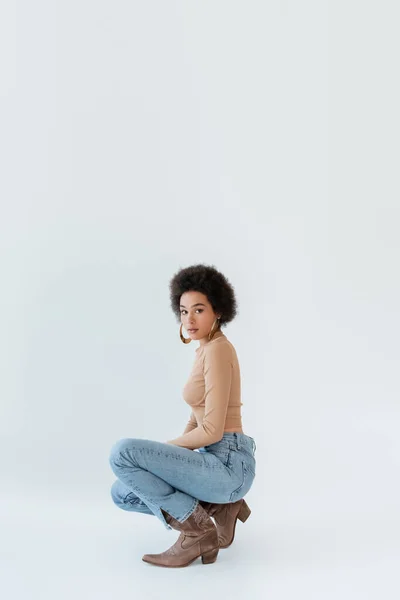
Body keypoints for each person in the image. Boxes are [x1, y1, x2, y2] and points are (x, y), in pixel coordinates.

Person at [109, 263, 257, 568]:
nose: (189, 318)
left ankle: (197, 531)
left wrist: (165, 452)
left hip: (228, 463)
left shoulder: (218, 350)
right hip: (213, 461)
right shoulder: (203, 350)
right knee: (122, 492)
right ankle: (218, 508)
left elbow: (213, 430)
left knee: (123, 453)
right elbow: (197, 418)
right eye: (184, 310)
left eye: (198, 310)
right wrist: (161, 458)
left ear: (218, 311)